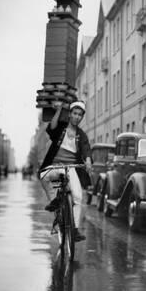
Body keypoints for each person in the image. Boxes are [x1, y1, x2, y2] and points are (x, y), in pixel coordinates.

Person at [39, 101, 92, 242]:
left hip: (71, 168)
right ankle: (54, 201)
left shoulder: (81, 134)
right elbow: (52, 128)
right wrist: (58, 110)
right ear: (70, 114)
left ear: (82, 117)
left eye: (80, 115)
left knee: (78, 196)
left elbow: (86, 148)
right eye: (74, 113)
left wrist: (88, 160)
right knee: (43, 177)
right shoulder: (61, 128)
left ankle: (74, 231)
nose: (77, 117)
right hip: (55, 166)